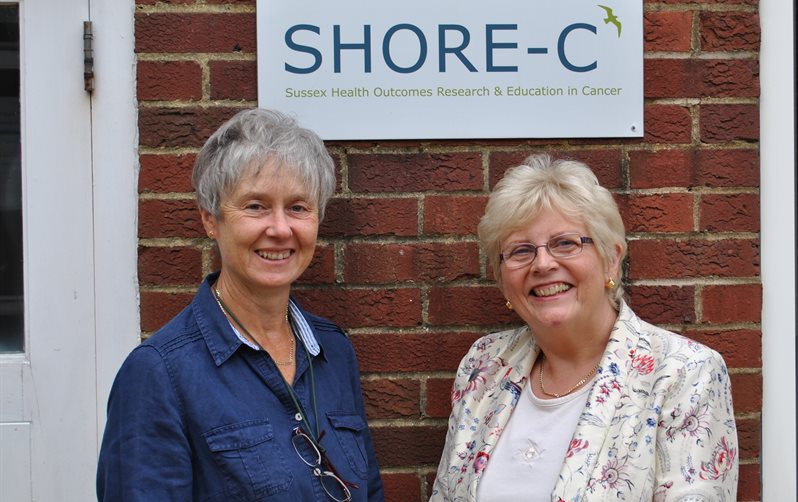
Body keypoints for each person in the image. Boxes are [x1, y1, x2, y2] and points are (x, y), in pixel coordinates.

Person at [98, 108, 384, 501]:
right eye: (255, 206)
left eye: (298, 207)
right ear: (210, 220)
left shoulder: (333, 350)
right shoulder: (158, 374)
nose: (280, 229)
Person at [430, 154, 737, 501]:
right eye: (520, 250)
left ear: (611, 258)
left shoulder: (684, 373)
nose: (543, 263)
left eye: (566, 243)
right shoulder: (484, 364)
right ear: (502, 280)